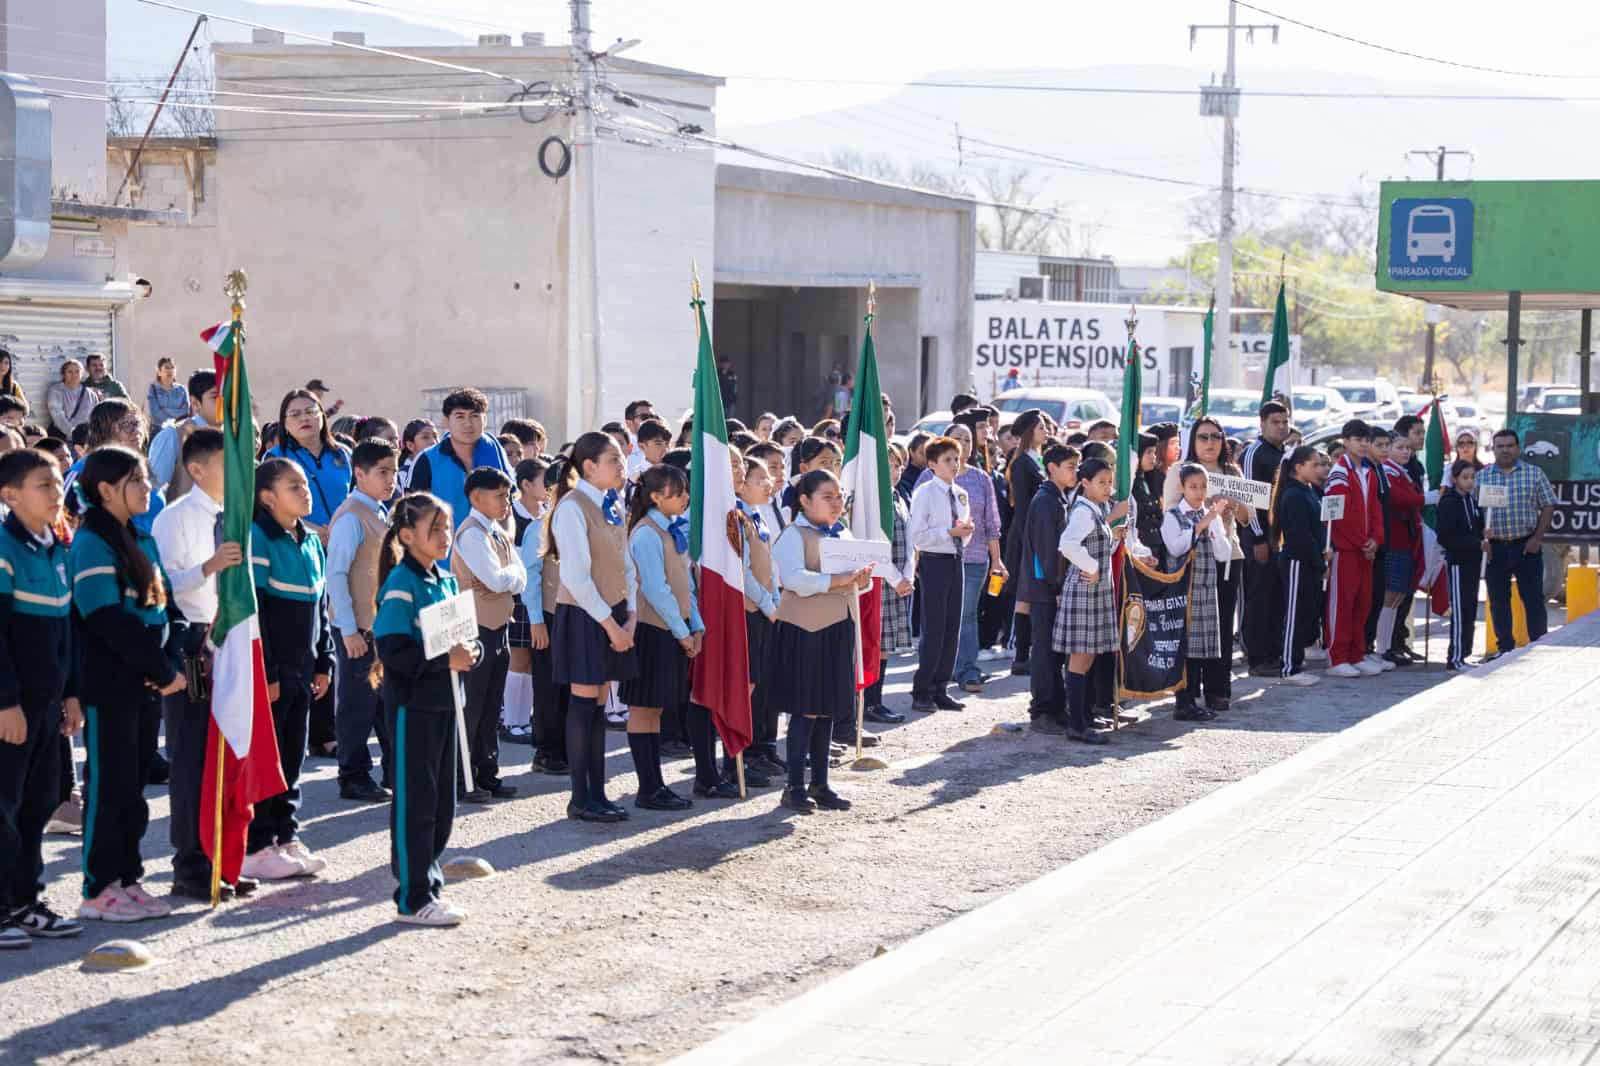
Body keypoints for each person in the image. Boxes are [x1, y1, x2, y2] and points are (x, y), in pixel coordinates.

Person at [69, 446, 186, 921]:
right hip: (110, 683)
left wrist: (172, 657)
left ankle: (129, 878)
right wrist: (160, 669)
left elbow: (167, 608)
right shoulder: (91, 543)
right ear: (106, 490)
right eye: (137, 481)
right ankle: (98, 889)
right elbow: (106, 620)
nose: (148, 489)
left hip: (146, 682)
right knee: (109, 787)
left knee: (134, 788)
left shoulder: (141, 535)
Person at [371, 492, 480, 927]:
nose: (444, 536)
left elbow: (461, 640)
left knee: (441, 805)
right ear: (405, 535)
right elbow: (393, 648)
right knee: (415, 803)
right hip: (412, 708)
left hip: (445, 705)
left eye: (446, 527)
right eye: (433, 529)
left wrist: (471, 652)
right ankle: (413, 897)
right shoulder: (401, 583)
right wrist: (443, 659)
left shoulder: (446, 579)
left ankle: (429, 885)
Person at [150, 428, 250, 900]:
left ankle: (224, 858)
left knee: (229, 753)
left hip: (230, 640)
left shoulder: (233, 518)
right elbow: (167, 586)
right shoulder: (175, 518)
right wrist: (210, 567)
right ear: (196, 469)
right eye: (227, 463)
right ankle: (191, 862)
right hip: (193, 644)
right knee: (191, 756)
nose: (239, 473)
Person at [0, 450, 83, 944]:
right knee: (3, 804)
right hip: (13, 705)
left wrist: (72, 696)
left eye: (57, 483)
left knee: (39, 802)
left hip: (49, 703)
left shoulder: (55, 546)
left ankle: (25, 900)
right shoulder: (4, 549)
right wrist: (5, 701)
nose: (56, 494)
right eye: (43, 486)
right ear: (9, 495)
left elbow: (66, 631)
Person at [244, 458, 334, 882]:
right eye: (293, 486)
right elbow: (258, 612)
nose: (305, 491)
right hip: (277, 672)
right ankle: (258, 844)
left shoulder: (311, 541)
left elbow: (321, 609)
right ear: (267, 496)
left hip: (305, 669)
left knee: (293, 756)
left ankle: (287, 833)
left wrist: (324, 660)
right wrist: (271, 673)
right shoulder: (259, 538)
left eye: (304, 485)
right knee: (270, 757)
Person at [768, 469, 872, 814]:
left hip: (838, 626)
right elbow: (793, 579)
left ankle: (821, 782)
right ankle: (794, 785)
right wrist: (838, 579)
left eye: (839, 496)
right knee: (805, 707)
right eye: (828, 496)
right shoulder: (793, 535)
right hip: (804, 629)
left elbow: (859, 584)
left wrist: (861, 578)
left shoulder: (842, 533)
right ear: (804, 500)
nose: (836, 503)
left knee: (827, 706)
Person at [549, 432, 638, 824]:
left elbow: (625, 561)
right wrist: (611, 626)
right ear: (588, 466)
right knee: (584, 704)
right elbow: (576, 577)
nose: (622, 467)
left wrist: (630, 613)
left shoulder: (612, 503)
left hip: (613, 614)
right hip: (586, 616)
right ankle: (580, 797)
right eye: (614, 460)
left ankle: (598, 792)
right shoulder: (573, 507)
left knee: (600, 705)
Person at [619, 464, 701, 811]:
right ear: (655, 497)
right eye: (678, 491)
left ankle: (656, 784)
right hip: (653, 631)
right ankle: (648, 787)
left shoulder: (671, 529)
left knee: (655, 709)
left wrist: (696, 624)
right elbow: (654, 588)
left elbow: (687, 585)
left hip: (674, 629)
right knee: (644, 707)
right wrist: (683, 631)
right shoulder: (646, 533)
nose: (685, 497)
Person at [325, 439, 399, 803]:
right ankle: (352, 774)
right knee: (357, 704)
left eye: (394, 471)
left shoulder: (379, 512)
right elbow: (336, 575)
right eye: (382, 472)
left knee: (384, 701)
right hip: (358, 627)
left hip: (379, 625)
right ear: (359, 474)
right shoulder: (352, 516)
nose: (391, 479)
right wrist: (349, 629)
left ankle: (393, 770)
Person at [451, 466, 527, 803]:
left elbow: (516, 577)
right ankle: (462, 778)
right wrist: (507, 577)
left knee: (490, 706)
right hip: (476, 629)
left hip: (499, 627)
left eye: (508, 495)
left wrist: (506, 576)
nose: (507, 502)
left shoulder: (497, 532)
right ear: (476, 497)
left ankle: (487, 772)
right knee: (472, 707)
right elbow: (498, 580)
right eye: (500, 495)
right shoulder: (471, 534)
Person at [1163, 417, 1249, 711]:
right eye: (1203, 437)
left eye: (1215, 436)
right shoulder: (1179, 470)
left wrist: (1231, 505)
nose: (1210, 442)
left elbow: (1249, 519)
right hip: (1192, 557)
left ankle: (1218, 689)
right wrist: (1203, 504)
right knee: (1191, 626)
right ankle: (1187, 692)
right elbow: (1170, 511)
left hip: (1227, 555)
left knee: (1222, 626)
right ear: (1192, 440)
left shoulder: (1232, 470)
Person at [1051, 457, 1116, 746]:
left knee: (1087, 657)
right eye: (1101, 482)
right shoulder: (1083, 511)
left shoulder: (1096, 509)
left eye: (1109, 482)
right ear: (1085, 483)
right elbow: (1066, 544)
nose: (1107, 487)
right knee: (1079, 658)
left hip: (1095, 590)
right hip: (1084, 591)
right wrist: (1090, 566)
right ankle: (1076, 723)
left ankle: (1082, 717)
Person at [1162, 464, 1234, 721]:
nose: (1199, 492)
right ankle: (1183, 701)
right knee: (1185, 648)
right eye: (1193, 487)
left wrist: (1215, 526)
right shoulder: (1172, 515)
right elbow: (1177, 546)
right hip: (1184, 590)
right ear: (1182, 487)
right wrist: (1201, 525)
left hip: (1206, 588)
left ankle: (1194, 699)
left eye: (1203, 487)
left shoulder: (1208, 515)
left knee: (1201, 649)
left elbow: (1223, 554)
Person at [909, 436, 974, 713]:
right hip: (933, 561)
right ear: (933, 464)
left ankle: (940, 687)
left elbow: (965, 533)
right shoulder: (925, 492)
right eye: (947, 460)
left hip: (955, 558)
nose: (954, 464)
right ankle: (922, 689)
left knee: (952, 627)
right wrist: (948, 532)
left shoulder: (961, 493)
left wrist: (964, 532)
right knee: (934, 628)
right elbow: (918, 536)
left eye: (956, 459)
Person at [1018, 443, 1079, 734]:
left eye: (1076, 467)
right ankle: (1042, 710)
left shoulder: (1059, 498)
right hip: (1045, 589)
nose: (1074, 472)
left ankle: (1056, 707)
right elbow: (1046, 551)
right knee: (1043, 650)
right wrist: (1055, 586)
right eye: (1069, 467)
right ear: (1051, 468)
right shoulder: (1046, 501)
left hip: (1053, 586)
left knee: (1055, 651)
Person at [1479, 428, 1556, 657]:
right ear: (1493, 449)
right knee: (1498, 601)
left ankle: (1538, 647)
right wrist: (1481, 540)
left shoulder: (1534, 474)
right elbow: (1473, 512)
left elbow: (1548, 505)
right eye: (1500, 446)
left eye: (1509, 445)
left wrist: (1537, 538)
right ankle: (1505, 649)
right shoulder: (1482, 477)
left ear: (1518, 448)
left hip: (1526, 547)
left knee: (1533, 599)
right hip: (1495, 549)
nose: (1505, 450)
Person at [943, 416, 1005, 695]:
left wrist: (997, 560)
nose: (964, 444)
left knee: (966, 614)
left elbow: (992, 523)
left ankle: (968, 670)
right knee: (942, 615)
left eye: (968, 439)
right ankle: (939, 670)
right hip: (939, 557)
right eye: (958, 438)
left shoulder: (981, 479)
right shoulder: (930, 477)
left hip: (976, 558)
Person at [736, 455, 788, 770]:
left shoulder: (760, 515)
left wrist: (777, 601)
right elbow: (743, 574)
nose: (769, 484)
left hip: (769, 607)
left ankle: (766, 743)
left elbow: (769, 567)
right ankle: (750, 750)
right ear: (743, 485)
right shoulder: (738, 518)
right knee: (752, 681)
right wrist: (769, 605)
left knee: (769, 680)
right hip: (752, 610)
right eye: (761, 479)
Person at [1324, 421, 1384, 678]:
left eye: (1365, 440)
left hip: (1365, 551)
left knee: (1363, 603)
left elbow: (1375, 510)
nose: (1363, 444)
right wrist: (1362, 542)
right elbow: (1339, 516)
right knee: (1343, 604)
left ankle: (1357, 654)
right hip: (1346, 551)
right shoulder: (1339, 473)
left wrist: (1376, 539)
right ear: (1346, 441)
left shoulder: (1368, 472)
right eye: (1357, 439)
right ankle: (1338, 657)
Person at [407, 389, 513, 530]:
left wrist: (506, 541)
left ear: (485, 420)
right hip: (444, 548)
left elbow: (507, 509)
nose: (468, 423)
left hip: (488, 547)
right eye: (460, 416)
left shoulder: (494, 451)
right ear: (446, 421)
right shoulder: (427, 459)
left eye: (474, 416)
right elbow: (411, 513)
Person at [522, 459, 569, 775]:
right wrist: (537, 620)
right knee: (549, 687)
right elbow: (531, 576)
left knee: (569, 685)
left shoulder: (581, 521)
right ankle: (547, 750)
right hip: (549, 617)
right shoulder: (539, 527)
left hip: (575, 614)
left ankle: (566, 746)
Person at [1239, 401, 1291, 676]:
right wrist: (1259, 538)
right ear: (1262, 424)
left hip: (1280, 540)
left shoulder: (1284, 454)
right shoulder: (1254, 454)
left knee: (1276, 598)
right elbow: (1249, 499)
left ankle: (1273, 654)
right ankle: (1257, 658)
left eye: (1285, 421)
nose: (1281, 427)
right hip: (1258, 538)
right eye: (1275, 422)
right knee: (1258, 598)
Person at [501, 456, 549, 748]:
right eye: (544, 481)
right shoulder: (511, 516)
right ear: (526, 484)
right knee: (518, 658)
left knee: (533, 660)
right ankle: (512, 721)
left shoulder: (547, 513)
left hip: (541, 594)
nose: (549, 488)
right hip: (518, 596)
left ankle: (524, 718)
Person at [264, 388, 351, 539]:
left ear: (322, 416)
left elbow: (358, 498)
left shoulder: (344, 454)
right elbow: (269, 508)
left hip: (346, 543)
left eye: (310, 411)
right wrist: (312, 530)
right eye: (295, 414)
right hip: (301, 543)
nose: (304, 418)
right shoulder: (275, 457)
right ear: (284, 423)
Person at [1273, 445, 1325, 686]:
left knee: (1305, 612)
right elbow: (1299, 536)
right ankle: (1288, 667)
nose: (1320, 469)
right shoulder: (1293, 495)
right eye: (1314, 465)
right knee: (1294, 614)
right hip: (1297, 561)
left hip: (1310, 560)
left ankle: (1296, 660)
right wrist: (1318, 556)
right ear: (1298, 467)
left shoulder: (1308, 491)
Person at [1002, 410, 1050, 677]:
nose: (1045, 431)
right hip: (1026, 537)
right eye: (1040, 427)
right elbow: (1022, 507)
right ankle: (1021, 655)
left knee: (1032, 595)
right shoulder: (1022, 464)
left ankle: (1028, 652)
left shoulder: (1038, 460)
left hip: (1037, 536)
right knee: (1024, 596)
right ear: (1030, 431)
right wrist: (1030, 542)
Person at [1376, 434, 1425, 665]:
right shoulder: (1388, 471)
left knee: (1398, 596)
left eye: (1408, 448)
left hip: (1405, 540)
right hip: (1393, 540)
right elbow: (1402, 499)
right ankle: (1382, 647)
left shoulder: (1400, 472)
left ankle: (1388, 646)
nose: (1406, 452)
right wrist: (1426, 498)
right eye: (1399, 447)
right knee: (1390, 594)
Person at [1436, 459, 1487, 671]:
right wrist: (1475, 542)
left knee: (1469, 609)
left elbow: (1476, 528)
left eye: (1472, 477)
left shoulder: (1472, 501)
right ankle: (1455, 657)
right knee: (1459, 610)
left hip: (1473, 563)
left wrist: (1484, 534)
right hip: (1458, 563)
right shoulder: (1449, 502)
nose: (1469, 482)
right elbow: (1445, 537)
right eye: (1465, 478)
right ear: (1455, 479)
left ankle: (1464, 653)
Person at [148, 370, 219, 498]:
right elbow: (154, 495)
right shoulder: (172, 436)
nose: (224, 403)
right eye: (215, 397)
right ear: (195, 403)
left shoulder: (232, 439)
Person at [47, 359, 98, 439]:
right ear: (63, 374)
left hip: (84, 438)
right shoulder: (56, 390)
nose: (74, 375)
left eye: (77, 371)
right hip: (64, 437)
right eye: (70, 372)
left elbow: (95, 416)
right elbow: (57, 414)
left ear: (82, 374)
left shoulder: (90, 393)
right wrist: (72, 432)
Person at [146, 357, 190, 428]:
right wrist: (174, 415)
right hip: (158, 429)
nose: (170, 370)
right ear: (159, 372)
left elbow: (186, 411)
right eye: (166, 368)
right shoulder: (153, 388)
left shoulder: (182, 389)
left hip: (178, 428)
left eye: (172, 367)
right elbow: (155, 413)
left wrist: (165, 410)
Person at [397, 418, 438, 493]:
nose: (433, 442)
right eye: (425, 437)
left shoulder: (440, 469)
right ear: (410, 445)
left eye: (435, 436)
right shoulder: (401, 476)